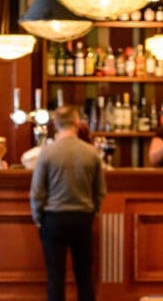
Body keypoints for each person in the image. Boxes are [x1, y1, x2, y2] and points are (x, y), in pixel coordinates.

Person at [30, 106, 106, 301]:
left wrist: (38, 218)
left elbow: (37, 191)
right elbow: (100, 191)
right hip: (82, 218)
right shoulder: (91, 153)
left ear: (55, 124)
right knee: (85, 276)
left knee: (56, 277)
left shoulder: (47, 153)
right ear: (76, 123)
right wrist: (93, 212)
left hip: (53, 219)